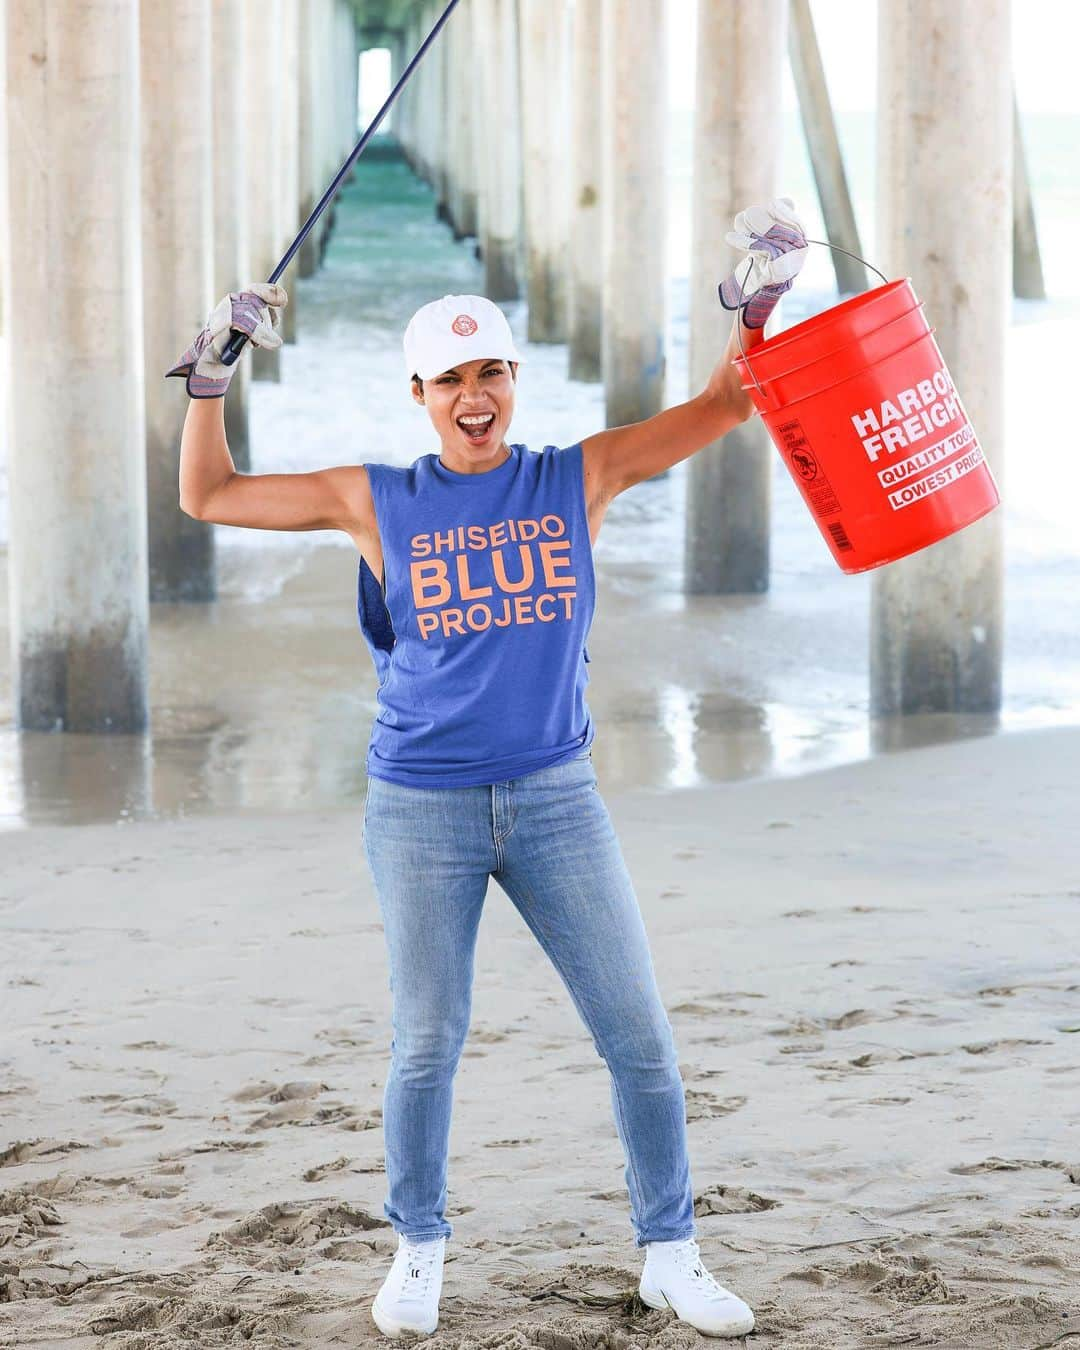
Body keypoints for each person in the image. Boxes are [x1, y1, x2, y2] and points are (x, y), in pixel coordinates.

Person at [169, 199, 807, 1341]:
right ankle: (419, 1247)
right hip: (421, 808)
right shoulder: (378, 498)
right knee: (427, 1044)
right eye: (453, 379)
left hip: (558, 800)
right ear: (419, 396)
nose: (478, 397)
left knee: (640, 1040)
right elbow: (207, 497)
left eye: (495, 373)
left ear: (516, 383)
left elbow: (726, 403)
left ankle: (670, 1250)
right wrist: (210, 378)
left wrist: (758, 304)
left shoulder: (579, 477)